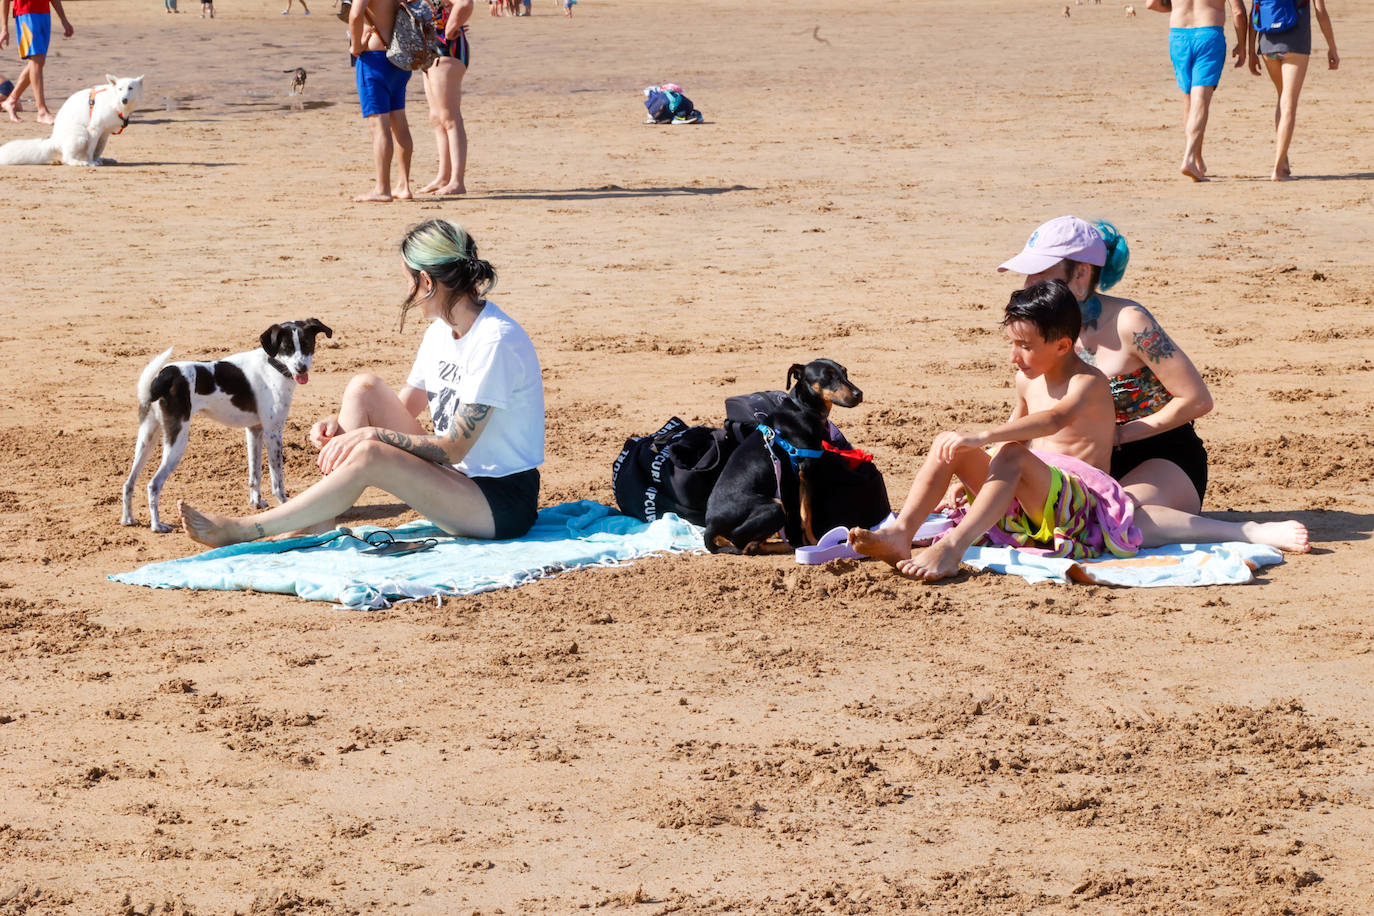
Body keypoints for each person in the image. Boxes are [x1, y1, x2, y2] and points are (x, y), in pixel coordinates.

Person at [180, 219, 546, 548]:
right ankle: (318, 518)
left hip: (500, 506)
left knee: (372, 452)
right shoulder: (440, 332)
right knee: (363, 388)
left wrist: (369, 436)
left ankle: (248, 528)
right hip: (457, 482)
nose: (407, 290)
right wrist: (343, 425)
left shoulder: (495, 340)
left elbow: (453, 449)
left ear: (427, 281)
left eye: (408, 280)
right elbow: (401, 411)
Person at [997, 215, 1308, 552]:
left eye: (1041, 272)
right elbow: (1026, 415)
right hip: (1090, 465)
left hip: (1161, 456)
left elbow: (1196, 399)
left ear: (1081, 272)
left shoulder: (1130, 323)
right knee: (1071, 520)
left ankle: (1247, 532)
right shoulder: (1038, 333)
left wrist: (1121, 433)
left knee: (1117, 520)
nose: (1029, 283)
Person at [850, 281, 1141, 581]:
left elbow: (1054, 419)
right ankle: (900, 533)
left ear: (1062, 346)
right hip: (1028, 502)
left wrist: (983, 436)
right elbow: (1015, 434)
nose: (1014, 356)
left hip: (1075, 510)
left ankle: (952, 547)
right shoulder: (1025, 380)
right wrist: (976, 471)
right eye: (1012, 344)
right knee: (949, 445)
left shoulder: (1088, 382)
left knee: (1011, 454)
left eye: (1025, 346)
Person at [1146, 0, 1252, 181]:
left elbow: (1151, 4)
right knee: (1201, 99)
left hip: (1179, 34)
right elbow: (1238, 12)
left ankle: (1197, 160)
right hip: (1208, 34)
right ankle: (1188, 158)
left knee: (1189, 100)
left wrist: (1178, 7)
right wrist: (1242, 46)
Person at [1252, 0, 1338, 181]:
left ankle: (1283, 161)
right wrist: (1332, 47)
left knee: (1282, 97)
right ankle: (1278, 169)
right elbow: (1320, 11)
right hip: (1295, 43)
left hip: (1267, 43)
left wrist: (1251, 51)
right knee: (1289, 103)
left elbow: (1254, 10)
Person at [348, 0, 414, 202]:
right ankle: (404, 185)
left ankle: (382, 188)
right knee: (399, 121)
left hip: (375, 58)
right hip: (400, 56)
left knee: (379, 126)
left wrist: (355, 46)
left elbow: (355, 15)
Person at [419, 0, 473, 196]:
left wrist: (451, 27)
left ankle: (457, 181)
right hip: (430, 51)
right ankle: (443, 176)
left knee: (450, 118)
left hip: (447, 50)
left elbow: (465, 3)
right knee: (437, 118)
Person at [0, 0, 73, 124]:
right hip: (26, 13)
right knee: (37, 60)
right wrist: (4, 27)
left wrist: (63, 19)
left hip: (44, 13)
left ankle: (11, 100)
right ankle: (42, 111)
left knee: (38, 61)